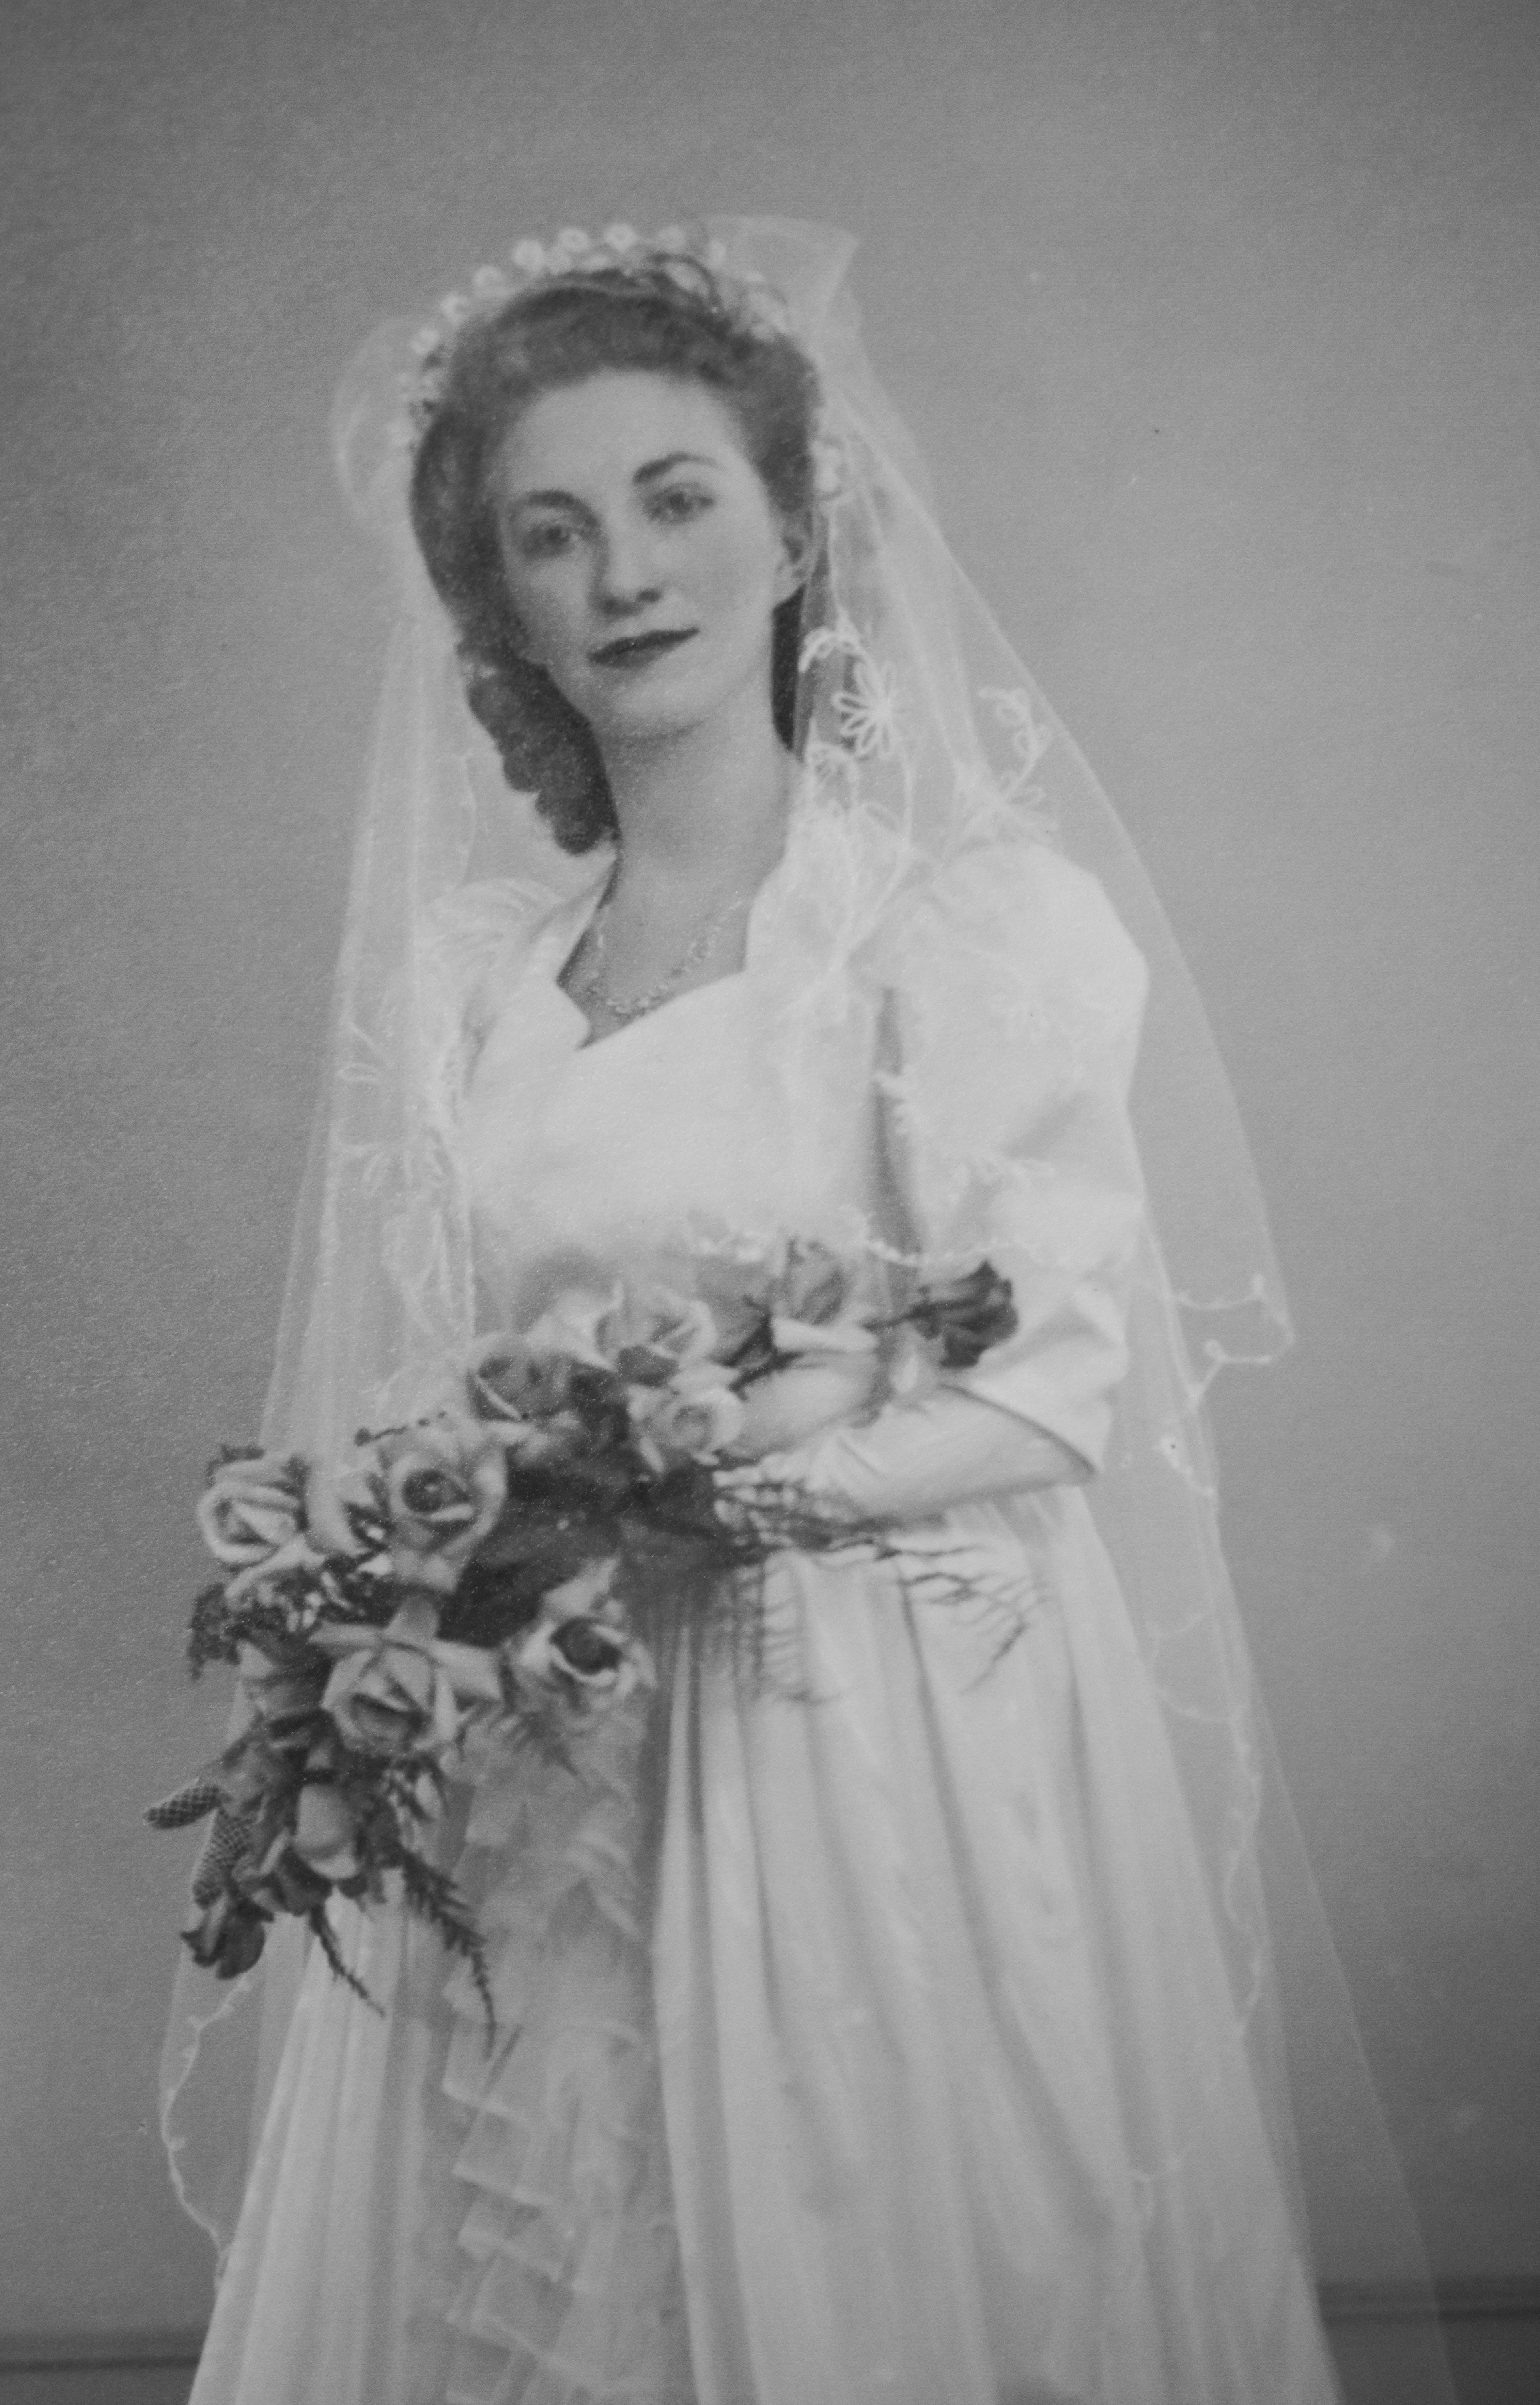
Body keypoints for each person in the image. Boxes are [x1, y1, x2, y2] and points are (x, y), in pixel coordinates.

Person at [166, 220, 1452, 2405]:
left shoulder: (954, 930)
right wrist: (418, 1555)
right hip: (548, 1747)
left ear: (790, 531)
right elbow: (437, 1370)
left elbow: (1051, 1385)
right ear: (502, 605)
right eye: (551, 534)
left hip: (865, 1738)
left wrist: (705, 1501)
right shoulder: (483, 980)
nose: (625, 574)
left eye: (677, 499)